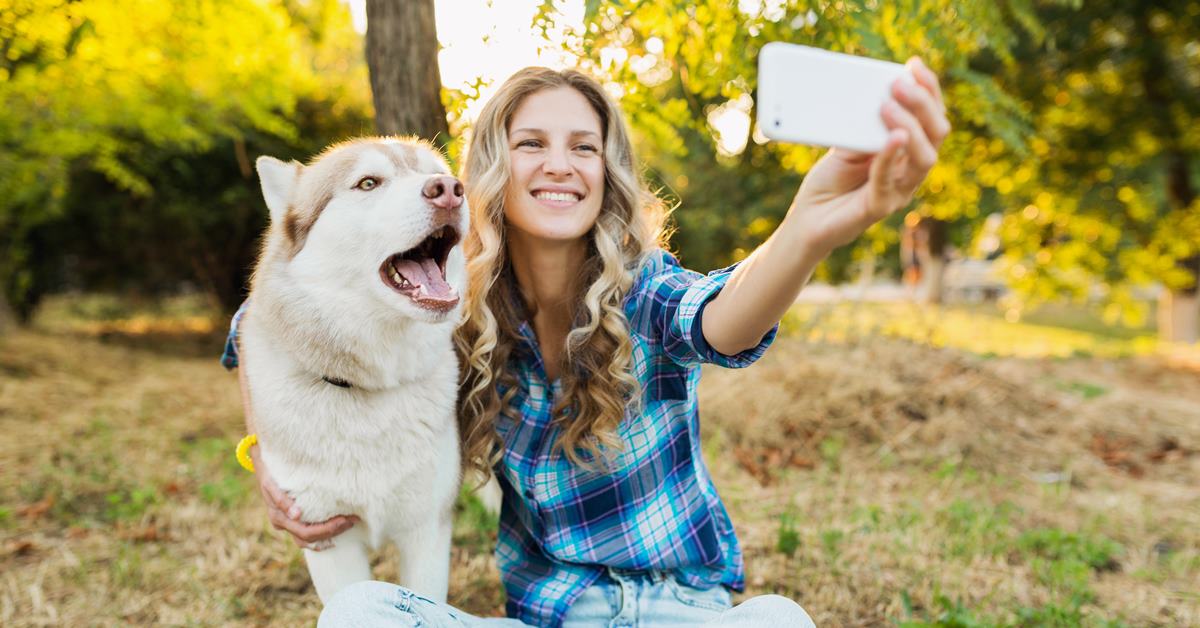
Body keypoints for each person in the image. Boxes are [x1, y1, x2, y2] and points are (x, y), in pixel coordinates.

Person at [224, 60, 948, 627]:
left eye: (584, 147)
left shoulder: (644, 290)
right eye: (531, 144)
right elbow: (260, 323)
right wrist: (267, 458)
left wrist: (808, 229)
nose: (560, 164)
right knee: (355, 613)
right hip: (549, 617)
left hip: (682, 614)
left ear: (607, 173)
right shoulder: (457, 307)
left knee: (779, 621)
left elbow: (725, 317)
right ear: (492, 173)